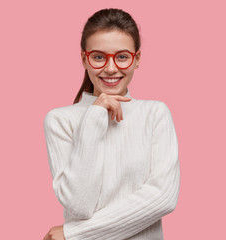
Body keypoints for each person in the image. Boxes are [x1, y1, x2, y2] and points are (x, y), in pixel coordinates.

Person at [43, 8, 180, 240]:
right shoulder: (60, 120)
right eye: (98, 57)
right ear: (84, 59)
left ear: (136, 59)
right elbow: (80, 204)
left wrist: (75, 234)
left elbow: (163, 198)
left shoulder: (155, 113)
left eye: (122, 56)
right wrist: (95, 116)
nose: (110, 68)